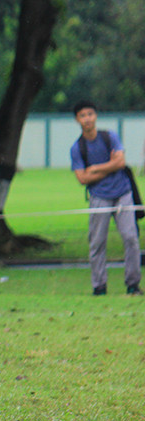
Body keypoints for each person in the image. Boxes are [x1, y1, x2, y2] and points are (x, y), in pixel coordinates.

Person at [69, 101, 142, 296]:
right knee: (97, 242)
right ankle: (99, 286)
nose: (87, 119)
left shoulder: (110, 136)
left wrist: (95, 168)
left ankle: (133, 284)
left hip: (123, 194)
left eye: (90, 114)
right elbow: (82, 178)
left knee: (131, 238)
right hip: (99, 197)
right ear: (77, 119)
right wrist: (110, 165)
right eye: (83, 115)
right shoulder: (77, 148)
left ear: (96, 116)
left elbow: (121, 162)